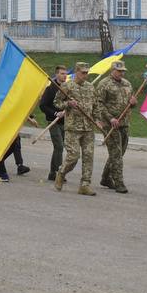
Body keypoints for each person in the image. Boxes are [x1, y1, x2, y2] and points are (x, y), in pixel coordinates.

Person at [54, 62, 98, 195]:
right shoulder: (67, 86)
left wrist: (97, 119)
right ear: (77, 72)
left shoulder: (90, 87)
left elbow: (95, 105)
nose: (85, 75)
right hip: (73, 127)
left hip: (88, 127)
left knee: (88, 156)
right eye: (83, 72)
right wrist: (68, 103)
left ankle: (85, 184)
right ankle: (61, 173)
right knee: (73, 156)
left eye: (87, 73)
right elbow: (57, 102)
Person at [95, 61, 134, 194]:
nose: (121, 73)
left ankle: (105, 178)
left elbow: (130, 102)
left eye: (123, 71)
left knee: (118, 153)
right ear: (112, 70)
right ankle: (119, 182)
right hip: (110, 125)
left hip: (124, 123)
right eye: (119, 71)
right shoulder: (104, 84)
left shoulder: (127, 84)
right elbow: (99, 104)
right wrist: (110, 118)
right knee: (116, 154)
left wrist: (133, 103)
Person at [38, 65, 68, 181]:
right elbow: (43, 105)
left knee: (60, 148)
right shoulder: (51, 88)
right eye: (62, 73)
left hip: (64, 122)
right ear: (56, 75)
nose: (64, 76)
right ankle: (58, 172)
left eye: (65, 73)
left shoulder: (67, 88)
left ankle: (52, 172)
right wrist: (56, 113)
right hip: (53, 121)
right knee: (59, 146)